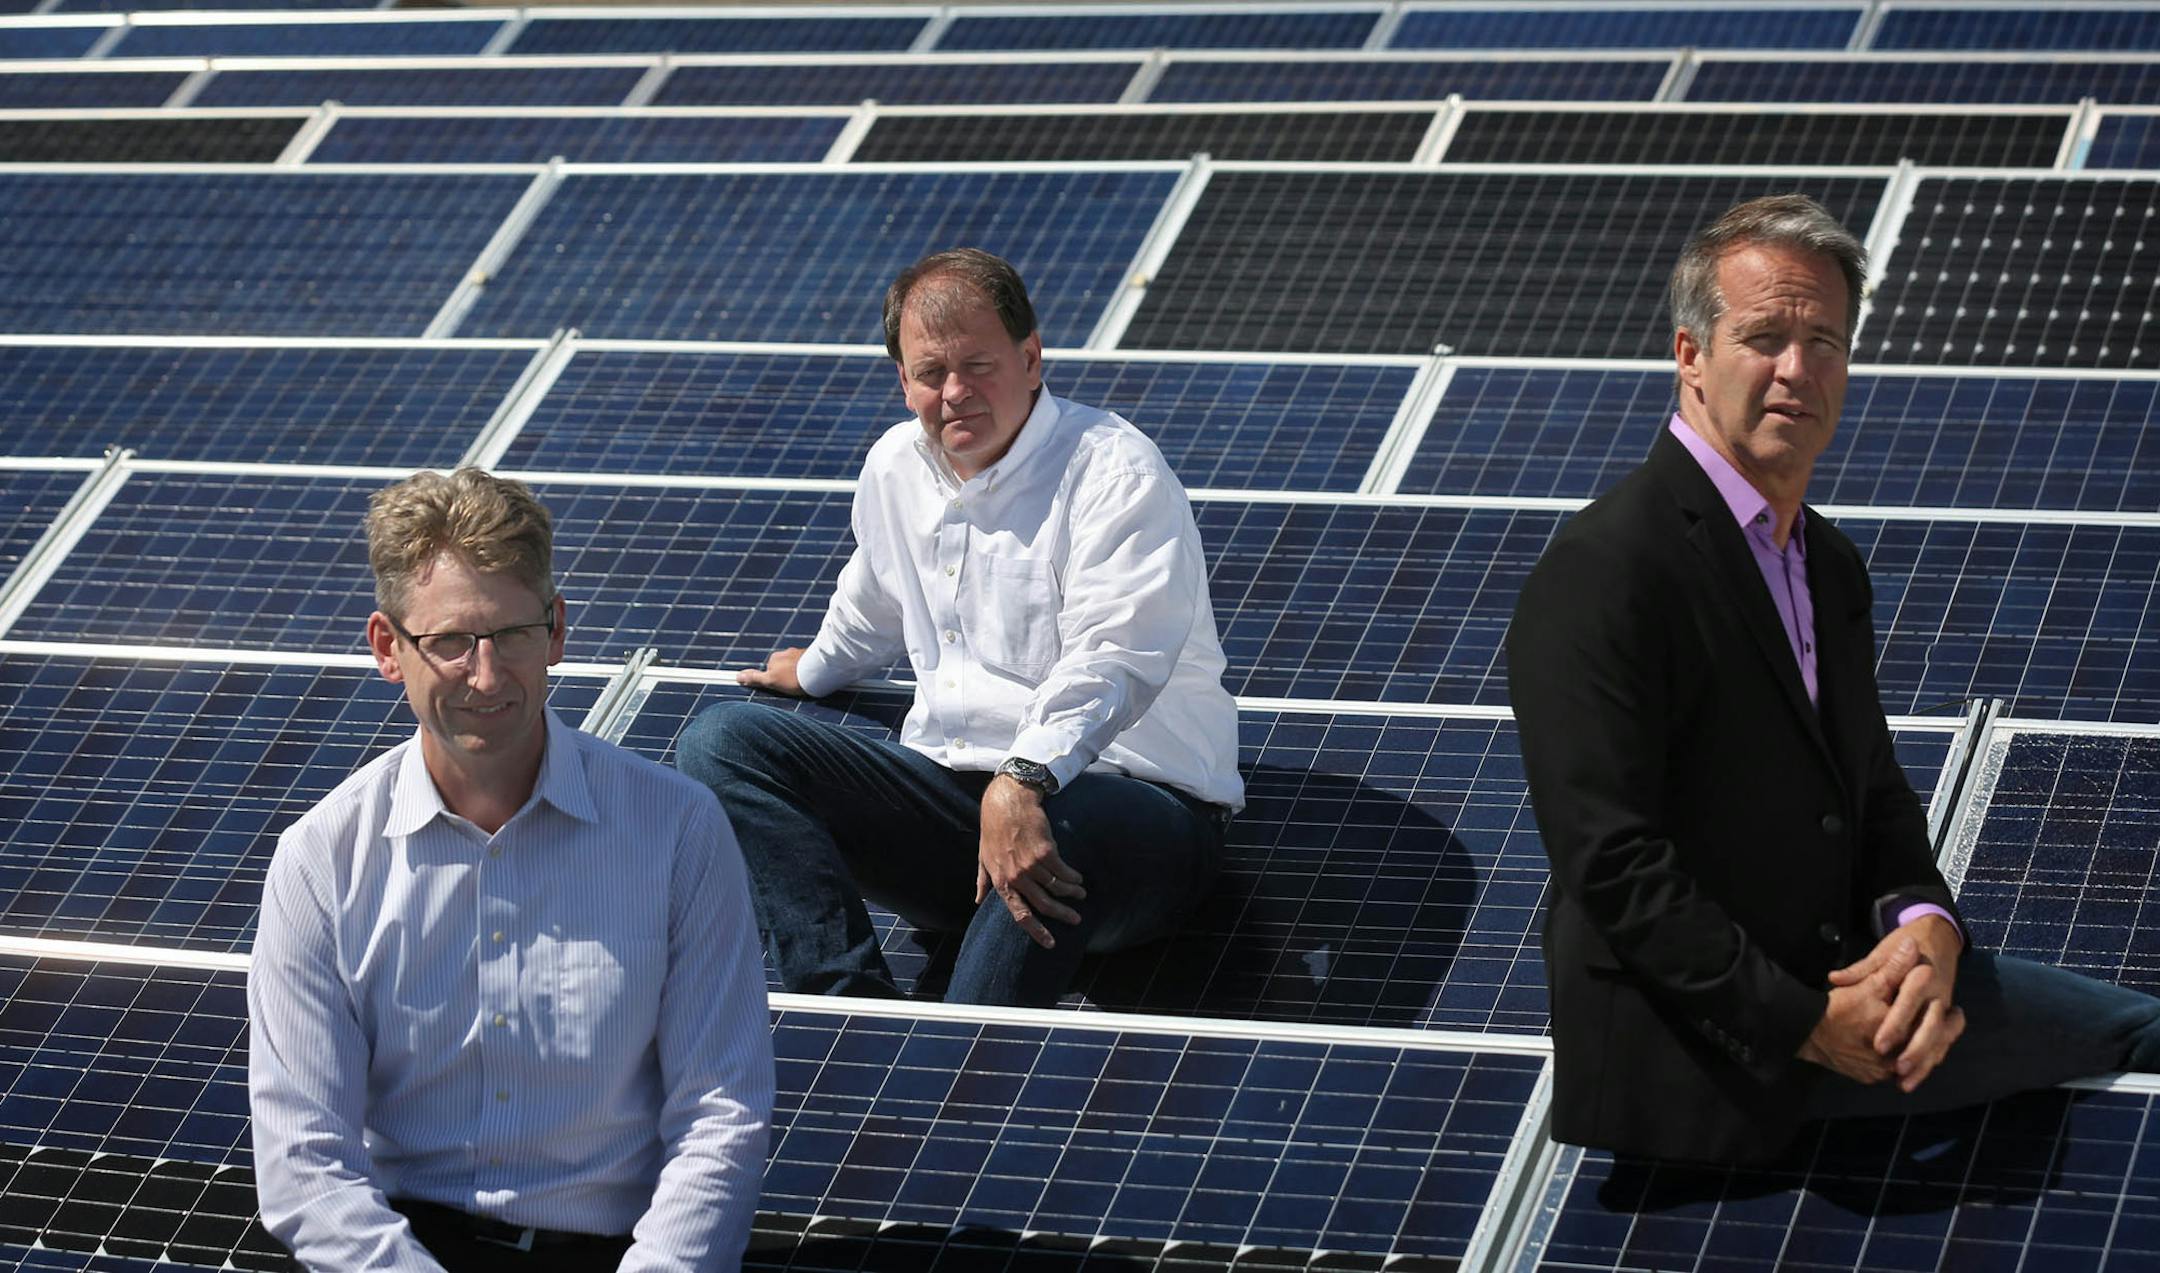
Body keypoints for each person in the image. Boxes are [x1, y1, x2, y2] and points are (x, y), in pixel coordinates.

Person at [1508, 194, 2160, 1164]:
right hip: (1706, 1049)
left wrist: (1928, 928)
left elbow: (1874, 793)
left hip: (1853, 991)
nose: (1798, 369)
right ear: (1690, 355)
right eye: (1764, 336)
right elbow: (1612, 863)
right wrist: (1807, 1020)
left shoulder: (1828, 566)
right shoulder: (1606, 566)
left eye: (1826, 341)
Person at [677, 247, 1243, 1009]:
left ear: (1032, 358)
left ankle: (955, 1060)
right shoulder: (894, 470)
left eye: (978, 365)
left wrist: (1026, 778)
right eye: (931, 372)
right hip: (960, 808)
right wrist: (813, 669)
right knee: (722, 743)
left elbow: (1117, 652)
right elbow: (875, 597)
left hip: (1130, 815)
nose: (955, 393)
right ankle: (855, 1015)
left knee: (1064, 818)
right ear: (903, 381)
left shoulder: (1114, 471)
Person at [248, 468, 774, 1271]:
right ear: (389, 648)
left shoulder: (677, 829)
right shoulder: (323, 858)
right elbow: (305, 1161)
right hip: (397, 1248)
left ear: (557, 629)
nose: (487, 675)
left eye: (513, 635)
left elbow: (719, 1111)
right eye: (451, 641)